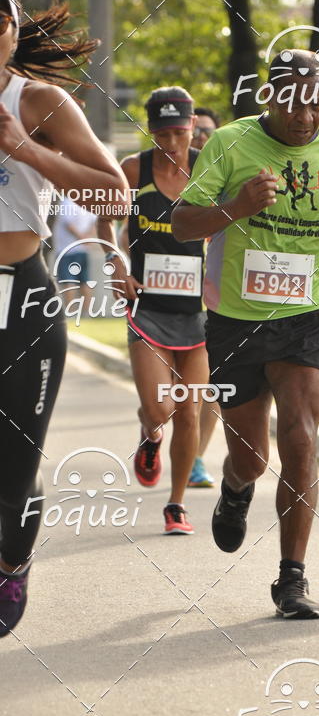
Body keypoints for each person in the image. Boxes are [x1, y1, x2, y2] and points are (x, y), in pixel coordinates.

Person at [172, 49, 319, 619]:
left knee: (301, 439)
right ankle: (236, 489)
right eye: (294, 104)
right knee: (252, 459)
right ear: (268, 97)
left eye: (316, 105)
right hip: (237, 322)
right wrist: (236, 207)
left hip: (305, 314)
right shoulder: (229, 142)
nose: (306, 118)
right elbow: (183, 222)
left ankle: (292, 578)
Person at [0, 0, 128, 636]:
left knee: (13, 472)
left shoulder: (38, 101)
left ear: (13, 30)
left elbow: (114, 196)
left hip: (21, 296)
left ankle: (10, 562)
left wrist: (22, 148)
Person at [97, 87, 209, 535]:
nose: (171, 143)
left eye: (179, 132)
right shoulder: (133, 169)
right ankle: (150, 433)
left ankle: (176, 505)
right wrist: (116, 264)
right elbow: (105, 218)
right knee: (160, 409)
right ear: (151, 130)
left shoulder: (210, 166)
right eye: (162, 134)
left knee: (190, 412)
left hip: (199, 312)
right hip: (147, 308)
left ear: (193, 126)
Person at [188, 105, 220, 489]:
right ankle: (155, 424)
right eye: (196, 131)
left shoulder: (227, 176)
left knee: (213, 384)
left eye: (207, 131)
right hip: (171, 300)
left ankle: (196, 458)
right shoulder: (165, 174)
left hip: (214, 298)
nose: (200, 137)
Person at [51, 199, 97, 305]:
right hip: (83, 249)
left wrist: (81, 238)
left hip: (66, 249)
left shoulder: (66, 202)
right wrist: (87, 239)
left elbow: (68, 225)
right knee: (84, 281)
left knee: (68, 282)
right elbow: (94, 223)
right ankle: (87, 312)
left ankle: (70, 311)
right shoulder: (88, 202)